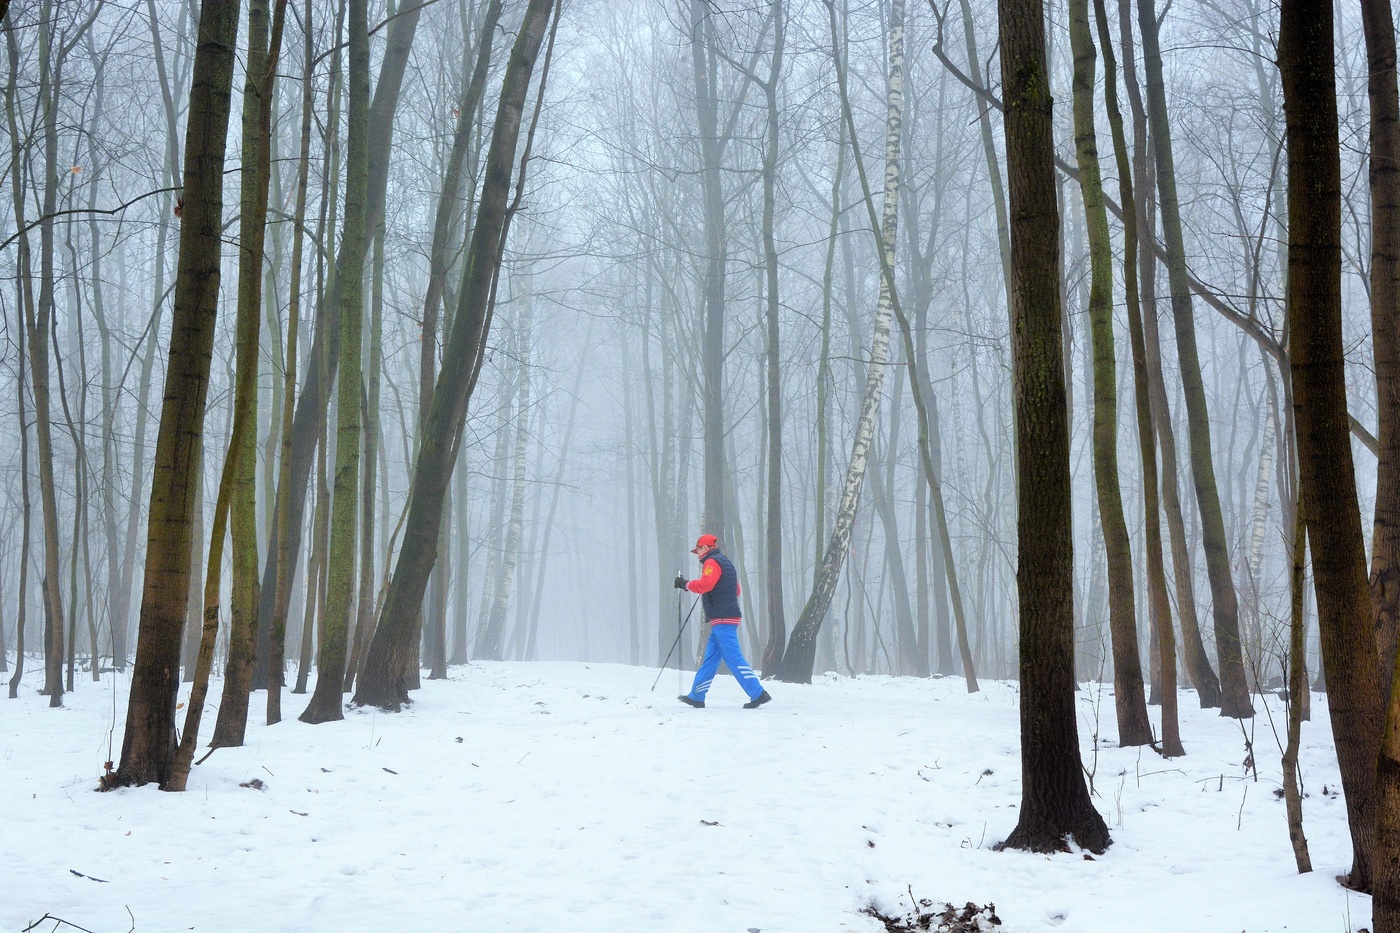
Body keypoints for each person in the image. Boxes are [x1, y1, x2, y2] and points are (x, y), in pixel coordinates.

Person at [672, 533, 772, 709]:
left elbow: (706, 585)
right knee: (711, 659)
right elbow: (736, 590)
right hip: (725, 617)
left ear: (705, 548)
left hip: (723, 618)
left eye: (698, 550)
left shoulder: (711, 562)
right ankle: (697, 695)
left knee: (733, 658)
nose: (698, 555)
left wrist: (685, 584)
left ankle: (758, 693)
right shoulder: (726, 563)